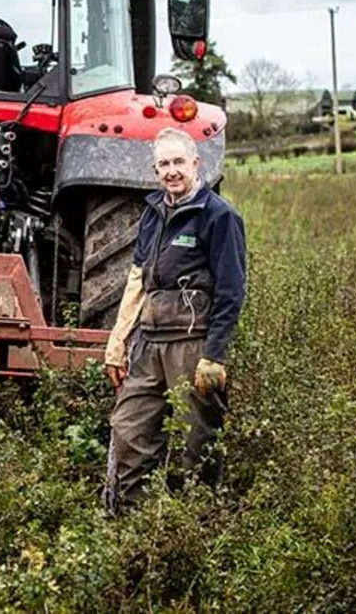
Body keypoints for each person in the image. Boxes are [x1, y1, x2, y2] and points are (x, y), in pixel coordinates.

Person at [104, 127, 247, 510]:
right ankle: (133, 522)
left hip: (192, 344)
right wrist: (118, 342)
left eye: (179, 162)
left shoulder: (219, 216)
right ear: (154, 169)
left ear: (196, 163)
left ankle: (196, 525)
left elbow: (232, 290)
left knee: (195, 440)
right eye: (164, 164)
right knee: (129, 429)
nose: (172, 171)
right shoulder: (153, 213)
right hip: (148, 343)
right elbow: (137, 279)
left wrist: (214, 355)